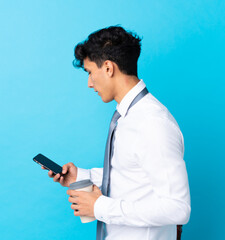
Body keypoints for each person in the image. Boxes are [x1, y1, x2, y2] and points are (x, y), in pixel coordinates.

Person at [41, 26, 191, 240]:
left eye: (90, 72)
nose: (89, 83)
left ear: (109, 68)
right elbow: (131, 177)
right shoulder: (128, 118)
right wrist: (81, 177)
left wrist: (100, 207)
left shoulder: (152, 123)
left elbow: (177, 208)